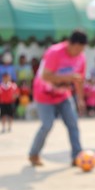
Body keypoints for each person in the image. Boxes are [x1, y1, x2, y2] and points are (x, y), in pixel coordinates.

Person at [29, 30, 87, 166]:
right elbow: (45, 76)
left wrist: (80, 99)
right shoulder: (54, 52)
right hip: (44, 94)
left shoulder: (81, 58)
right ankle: (34, 153)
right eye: (78, 48)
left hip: (63, 95)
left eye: (82, 49)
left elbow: (79, 80)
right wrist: (68, 78)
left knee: (73, 124)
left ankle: (77, 156)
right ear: (71, 44)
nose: (80, 52)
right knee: (47, 124)